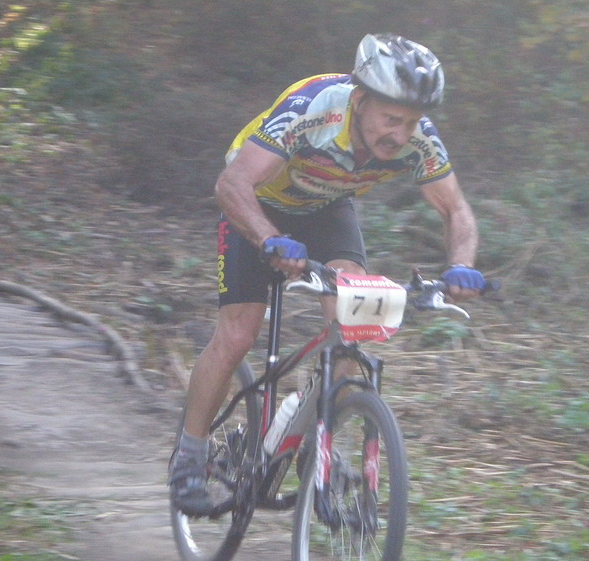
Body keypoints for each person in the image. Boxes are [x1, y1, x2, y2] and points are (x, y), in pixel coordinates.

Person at [170, 33, 488, 516]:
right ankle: (190, 455)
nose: (400, 134)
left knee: (351, 322)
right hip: (256, 204)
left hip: (325, 208)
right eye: (390, 119)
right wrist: (267, 238)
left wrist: (461, 265)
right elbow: (232, 184)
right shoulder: (314, 108)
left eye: (410, 122)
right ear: (359, 101)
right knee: (237, 335)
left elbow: (455, 209)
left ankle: (316, 442)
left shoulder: (418, 138)